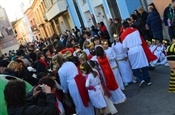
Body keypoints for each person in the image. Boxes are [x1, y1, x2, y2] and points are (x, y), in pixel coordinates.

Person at [120, 21, 151, 87]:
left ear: (123, 27)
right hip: (139, 48)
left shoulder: (123, 35)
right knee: (143, 64)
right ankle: (148, 80)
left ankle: (140, 79)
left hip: (131, 50)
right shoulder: (135, 30)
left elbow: (124, 46)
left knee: (134, 66)